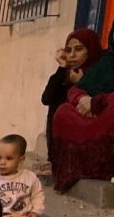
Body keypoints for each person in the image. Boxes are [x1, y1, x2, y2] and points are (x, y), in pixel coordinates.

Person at [52, 8, 114, 192]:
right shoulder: (107, 60)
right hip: (95, 109)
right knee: (63, 111)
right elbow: (77, 89)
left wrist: (97, 102)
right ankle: (75, 169)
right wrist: (83, 98)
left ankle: (111, 168)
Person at [41, 29, 103, 172]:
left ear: (90, 50)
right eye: (68, 51)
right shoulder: (66, 73)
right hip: (66, 145)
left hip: (89, 141)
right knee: (57, 102)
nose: (72, 55)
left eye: (79, 49)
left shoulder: (101, 72)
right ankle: (57, 158)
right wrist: (62, 67)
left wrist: (81, 83)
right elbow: (46, 98)